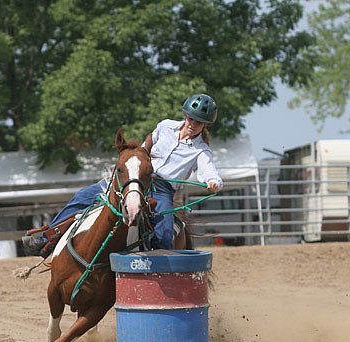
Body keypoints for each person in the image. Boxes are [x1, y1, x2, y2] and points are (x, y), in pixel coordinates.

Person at [22, 93, 224, 256]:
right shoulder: (165, 126)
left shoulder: (201, 151)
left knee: (163, 234)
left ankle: (157, 273)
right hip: (138, 176)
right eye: (191, 118)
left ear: (205, 125)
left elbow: (209, 171)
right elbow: (149, 142)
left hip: (162, 190)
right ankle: (49, 235)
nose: (192, 124)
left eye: (198, 122)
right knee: (83, 196)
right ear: (185, 115)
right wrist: (140, 157)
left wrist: (213, 182)